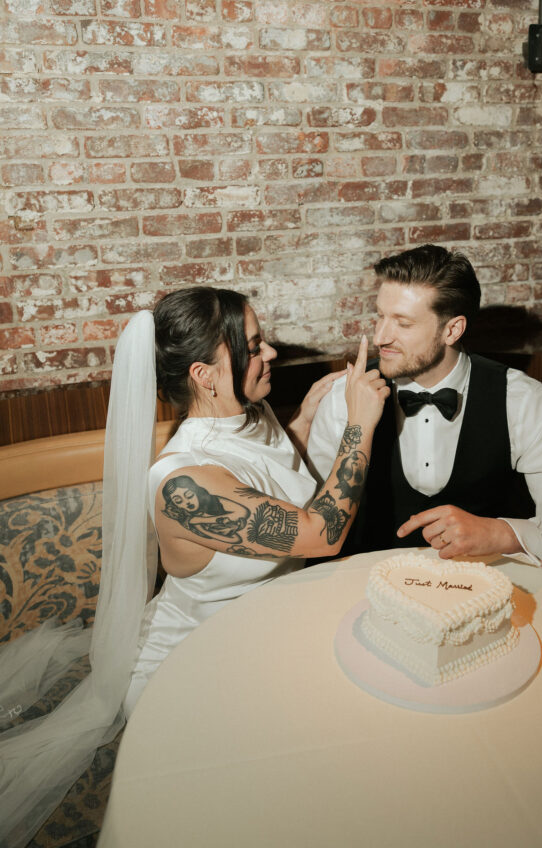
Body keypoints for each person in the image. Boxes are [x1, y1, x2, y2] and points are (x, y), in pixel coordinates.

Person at [0, 286, 388, 848]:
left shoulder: (249, 416)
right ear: (206, 375)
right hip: (192, 661)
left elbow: (273, 485)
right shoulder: (186, 483)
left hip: (270, 630)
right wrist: (360, 424)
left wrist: (301, 421)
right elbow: (320, 534)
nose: (271, 354)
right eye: (254, 346)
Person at [306, 244, 542, 573]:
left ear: (452, 329)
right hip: (366, 588)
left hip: (488, 589)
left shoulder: (522, 400)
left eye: (403, 324)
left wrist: (502, 533)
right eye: (380, 316)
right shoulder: (342, 397)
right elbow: (309, 524)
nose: (380, 337)